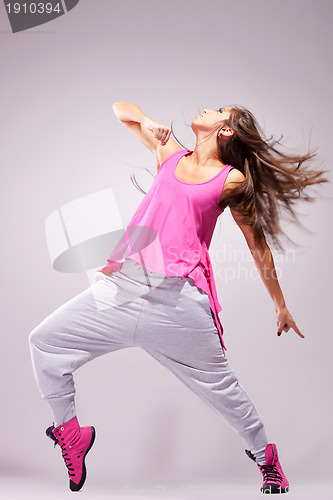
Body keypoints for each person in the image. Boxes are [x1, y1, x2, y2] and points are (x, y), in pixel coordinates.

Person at [29, 102, 328, 494]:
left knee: (223, 390)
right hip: (124, 286)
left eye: (219, 109)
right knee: (45, 343)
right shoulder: (169, 154)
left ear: (227, 131)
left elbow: (258, 245)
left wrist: (280, 304)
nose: (208, 107)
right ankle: (71, 434)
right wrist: (152, 127)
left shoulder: (231, 180)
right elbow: (122, 109)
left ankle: (267, 459)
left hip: (179, 303)